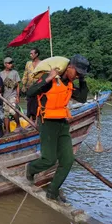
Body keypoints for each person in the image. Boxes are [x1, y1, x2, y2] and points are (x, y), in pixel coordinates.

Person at [25, 54, 90, 202]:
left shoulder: (69, 83)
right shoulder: (51, 78)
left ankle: (52, 191)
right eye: (77, 72)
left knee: (67, 160)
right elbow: (30, 92)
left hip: (62, 123)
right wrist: (48, 78)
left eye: (81, 74)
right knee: (49, 159)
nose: (78, 75)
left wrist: (82, 79)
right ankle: (31, 168)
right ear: (70, 67)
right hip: (47, 122)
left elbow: (82, 98)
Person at [0, 57, 22, 133]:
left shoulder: (15, 73)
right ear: (5, 64)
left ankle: (18, 125)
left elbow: (18, 85)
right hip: (4, 96)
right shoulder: (1, 74)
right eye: (9, 63)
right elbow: (0, 86)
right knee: (6, 114)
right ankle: (7, 131)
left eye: (11, 63)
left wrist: (18, 96)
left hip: (13, 95)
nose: (11, 64)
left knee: (13, 111)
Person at [21, 48, 42, 121]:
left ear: (36, 54)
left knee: (37, 103)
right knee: (29, 103)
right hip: (29, 87)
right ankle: (30, 120)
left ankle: (37, 120)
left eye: (32, 53)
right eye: (30, 53)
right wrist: (23, 85)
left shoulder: (42, 63)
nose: (30, 55)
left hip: (39, 87)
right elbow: (25, 74)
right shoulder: (28, 63)